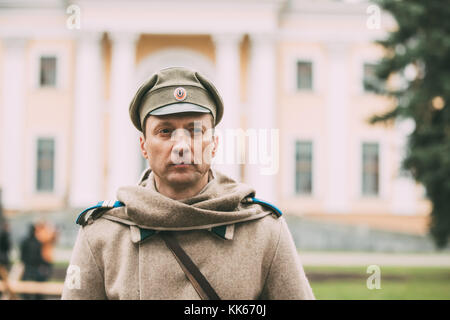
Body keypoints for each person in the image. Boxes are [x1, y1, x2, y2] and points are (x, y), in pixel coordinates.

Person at [62, 67, 314, 300]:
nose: (181, 146)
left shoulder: (263, 231)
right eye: (165, 131)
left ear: (214, 144)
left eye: (195, 130)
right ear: (143, 146)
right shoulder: (102, 234)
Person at [0, 221, 16, 299]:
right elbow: (7, 247)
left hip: (3, 259)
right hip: (3, 260)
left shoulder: (3, 235)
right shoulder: (5, 236)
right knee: (5, 279)